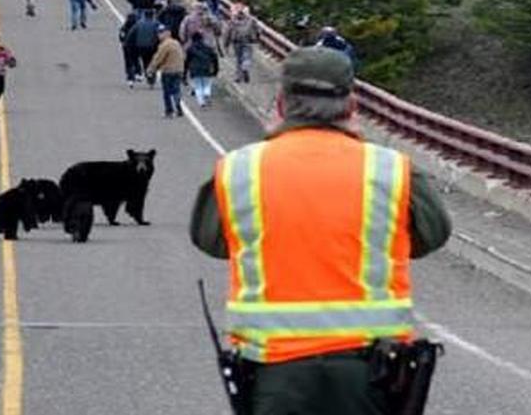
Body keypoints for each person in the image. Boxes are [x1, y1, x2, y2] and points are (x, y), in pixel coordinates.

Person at [189, 47, 452, 415]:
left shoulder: (239, 170)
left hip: (275, 371)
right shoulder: (391, 170)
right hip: (370, 372)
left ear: (281, 104)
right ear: (352, 105)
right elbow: (432, 235)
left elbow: (211, 240)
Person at [146, 26, 186, 118]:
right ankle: (178, 106)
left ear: (167, 33)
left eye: (161, 33)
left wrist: (151, 69)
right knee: (176, 89)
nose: (159, 35)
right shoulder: (176, 43)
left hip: (168, 71)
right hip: (179, 70)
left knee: (167, 92)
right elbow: (183, 55)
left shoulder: (164, 45)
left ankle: (169, 111)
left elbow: (158, 58)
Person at [127, 9, 162, 88]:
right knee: (152, 62)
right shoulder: (156, 24)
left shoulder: (138, 24)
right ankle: (151, 78)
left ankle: (146, 75)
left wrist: (130, 46)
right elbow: (162, 33)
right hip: (153, 47)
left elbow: (131, 35)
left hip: (140, 46)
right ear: (153, 15)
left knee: (144, 61)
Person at [224, 4, 260, 83]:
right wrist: (257, 38)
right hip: (248, 41)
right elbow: (258, 30)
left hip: (236, 42)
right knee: (247, 57)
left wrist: (226, 44)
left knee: (238, 59)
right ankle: (245, 68)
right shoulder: (252, 20)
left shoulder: (232, 21)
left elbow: (227, 33)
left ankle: (238, 77)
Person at [184, 31, 219, 108]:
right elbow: (215, 59)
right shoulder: (208, 48)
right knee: (207, 84)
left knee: (198, 86)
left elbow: (186, 61)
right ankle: (207, 94)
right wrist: (216, 70)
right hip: (206, 69)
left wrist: (185, 72)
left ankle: (201, 102)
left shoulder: (190, 49)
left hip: (195, 70)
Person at [119, 12, 141, 86]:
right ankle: (138, 73)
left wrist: (123, 42)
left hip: (127, 46)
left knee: (128, 62)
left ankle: (130, 77)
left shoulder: (124, 27)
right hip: (136, 46)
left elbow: (121, 36)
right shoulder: (137, 27)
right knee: (136, 60)